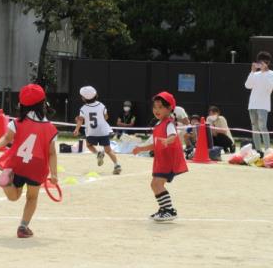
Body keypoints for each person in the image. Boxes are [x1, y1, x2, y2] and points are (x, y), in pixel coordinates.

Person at [0, 84, 58, 238]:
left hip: (17, 162)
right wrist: (54, 174)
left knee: (14, 197)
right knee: (31, 198)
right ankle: (23, 227)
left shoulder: (16, 122)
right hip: (36, 165)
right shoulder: (50, 127)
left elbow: (6, 138)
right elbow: (52, 153)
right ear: (43, 103)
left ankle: (8, 183)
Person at [132, 91, 188, 222]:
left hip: (168, 159)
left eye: (160, 107)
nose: (156, 110)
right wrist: (141, 149)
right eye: (154, 107)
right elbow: (155, 144)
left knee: (157, 183)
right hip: (161, 159)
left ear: (169, 109)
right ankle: (164, 209)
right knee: (154, 184)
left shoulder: (169, 123)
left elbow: (173, 136)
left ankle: (169, 210)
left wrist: (168, 140)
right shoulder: (158, 124)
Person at [73, 86, 122, 175]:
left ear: (84, 98)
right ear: (95, 95)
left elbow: (80, 120)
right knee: (108, 150)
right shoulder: (101, 105)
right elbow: (106, 117)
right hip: (103, 131)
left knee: (88, 145)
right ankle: (116, 165)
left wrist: (76, 129)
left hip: (91, 132)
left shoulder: (83, 108)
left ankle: (97, 153)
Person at [244, 51, 273, 152]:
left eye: (264, 62)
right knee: (254, 127)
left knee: (263, 127)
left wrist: (264, 72)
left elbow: (270, 87)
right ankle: (258, 150)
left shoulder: (272, 74)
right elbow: (247, 85)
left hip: (263, 105)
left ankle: (267, 149)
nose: (262, 64)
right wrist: (252, 72)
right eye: (260, 62)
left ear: (268, 63)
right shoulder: (255, 74)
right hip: (252, 104)